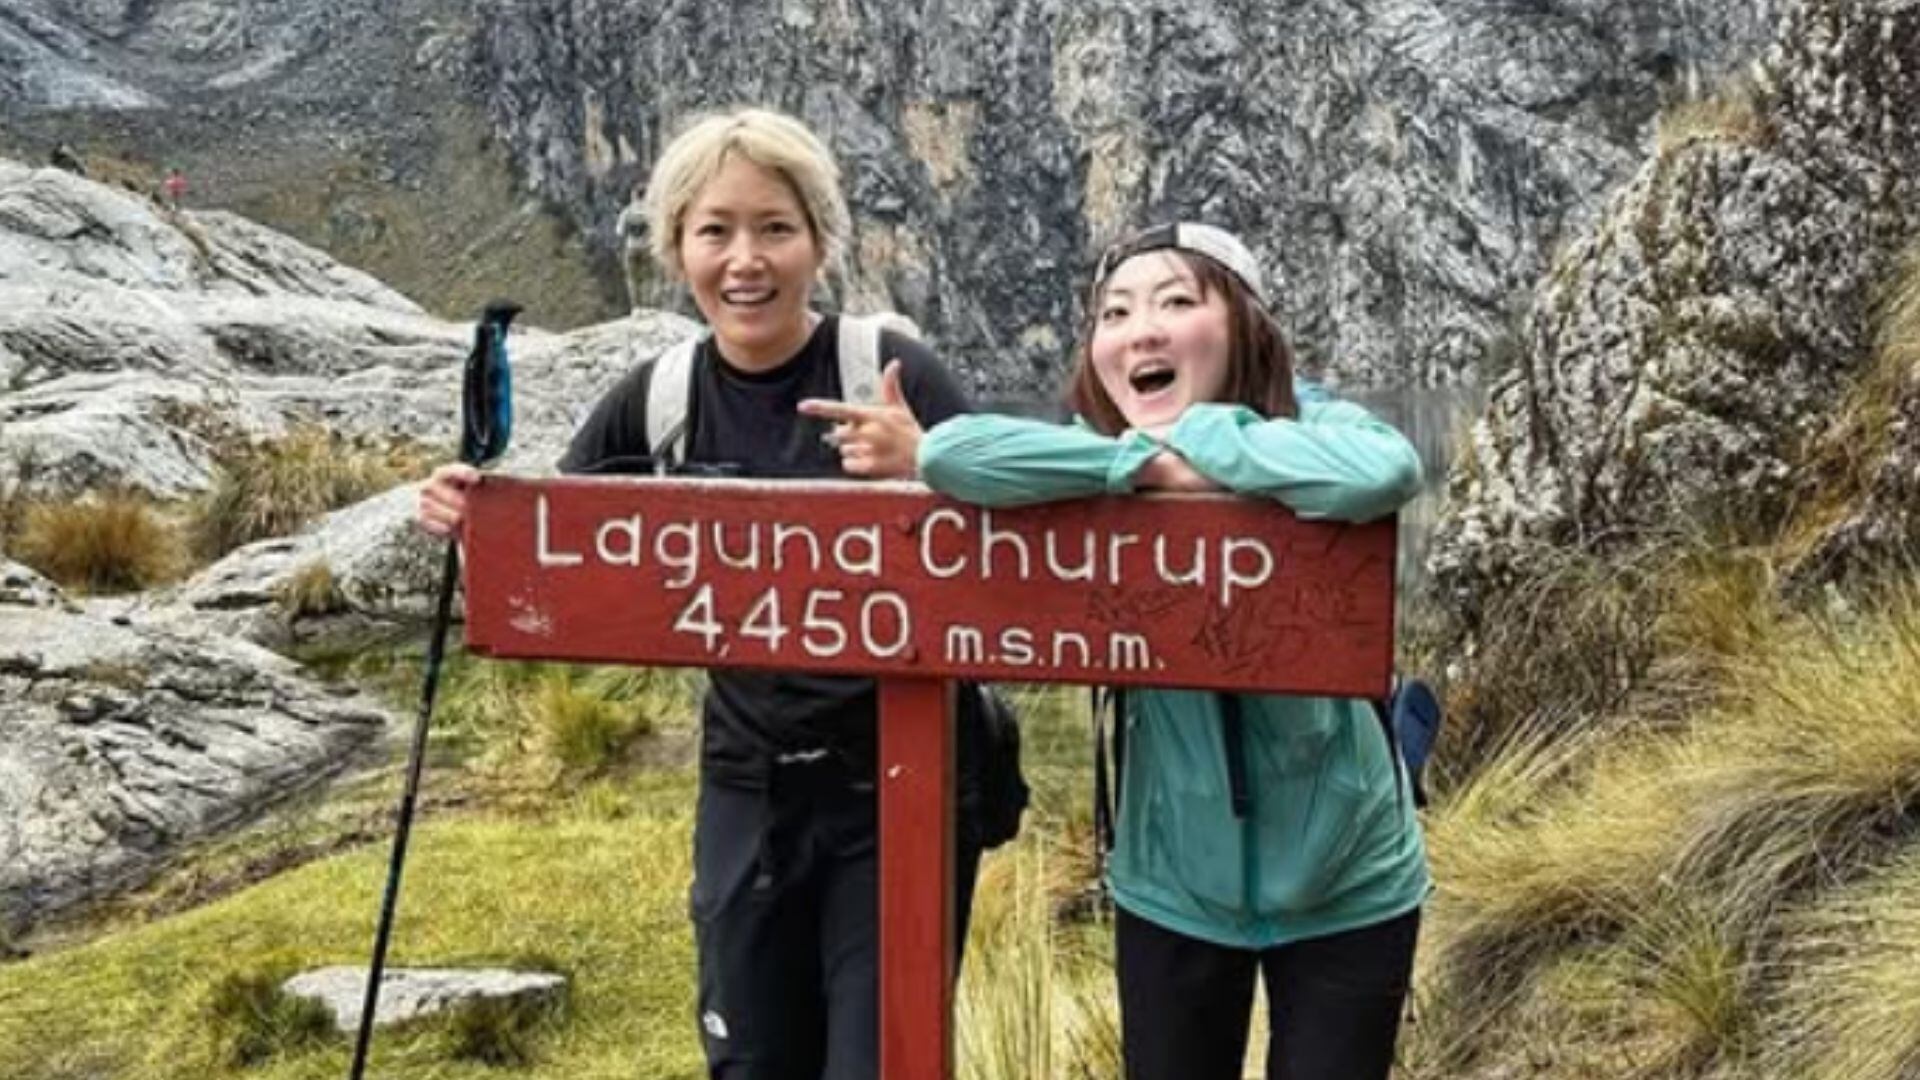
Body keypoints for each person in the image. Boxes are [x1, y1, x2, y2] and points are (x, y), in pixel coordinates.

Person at [416, 107, 982, 1080]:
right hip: (746, 787)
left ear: (819, 241)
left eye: (775, 227)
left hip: (900, 785)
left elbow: (1017, 548)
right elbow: (554, 550)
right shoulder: (656, 396)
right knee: (752, 1062)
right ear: (677, 246)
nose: (745, 259)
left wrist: (932, 460)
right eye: (714, 230)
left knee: (882, 1064)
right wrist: (474, 520)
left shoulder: (889, 371)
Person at [828, 222, 1427, 1080]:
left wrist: (1207, 446)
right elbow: (955, 451)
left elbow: (1382, 470)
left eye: (1177, 302)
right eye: (1115, 312)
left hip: (1352, 878)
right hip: (1171, 889)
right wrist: (1143, 466)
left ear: (1245, 324)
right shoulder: (1091, 451)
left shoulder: (1313, 421)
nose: (1140, 328)